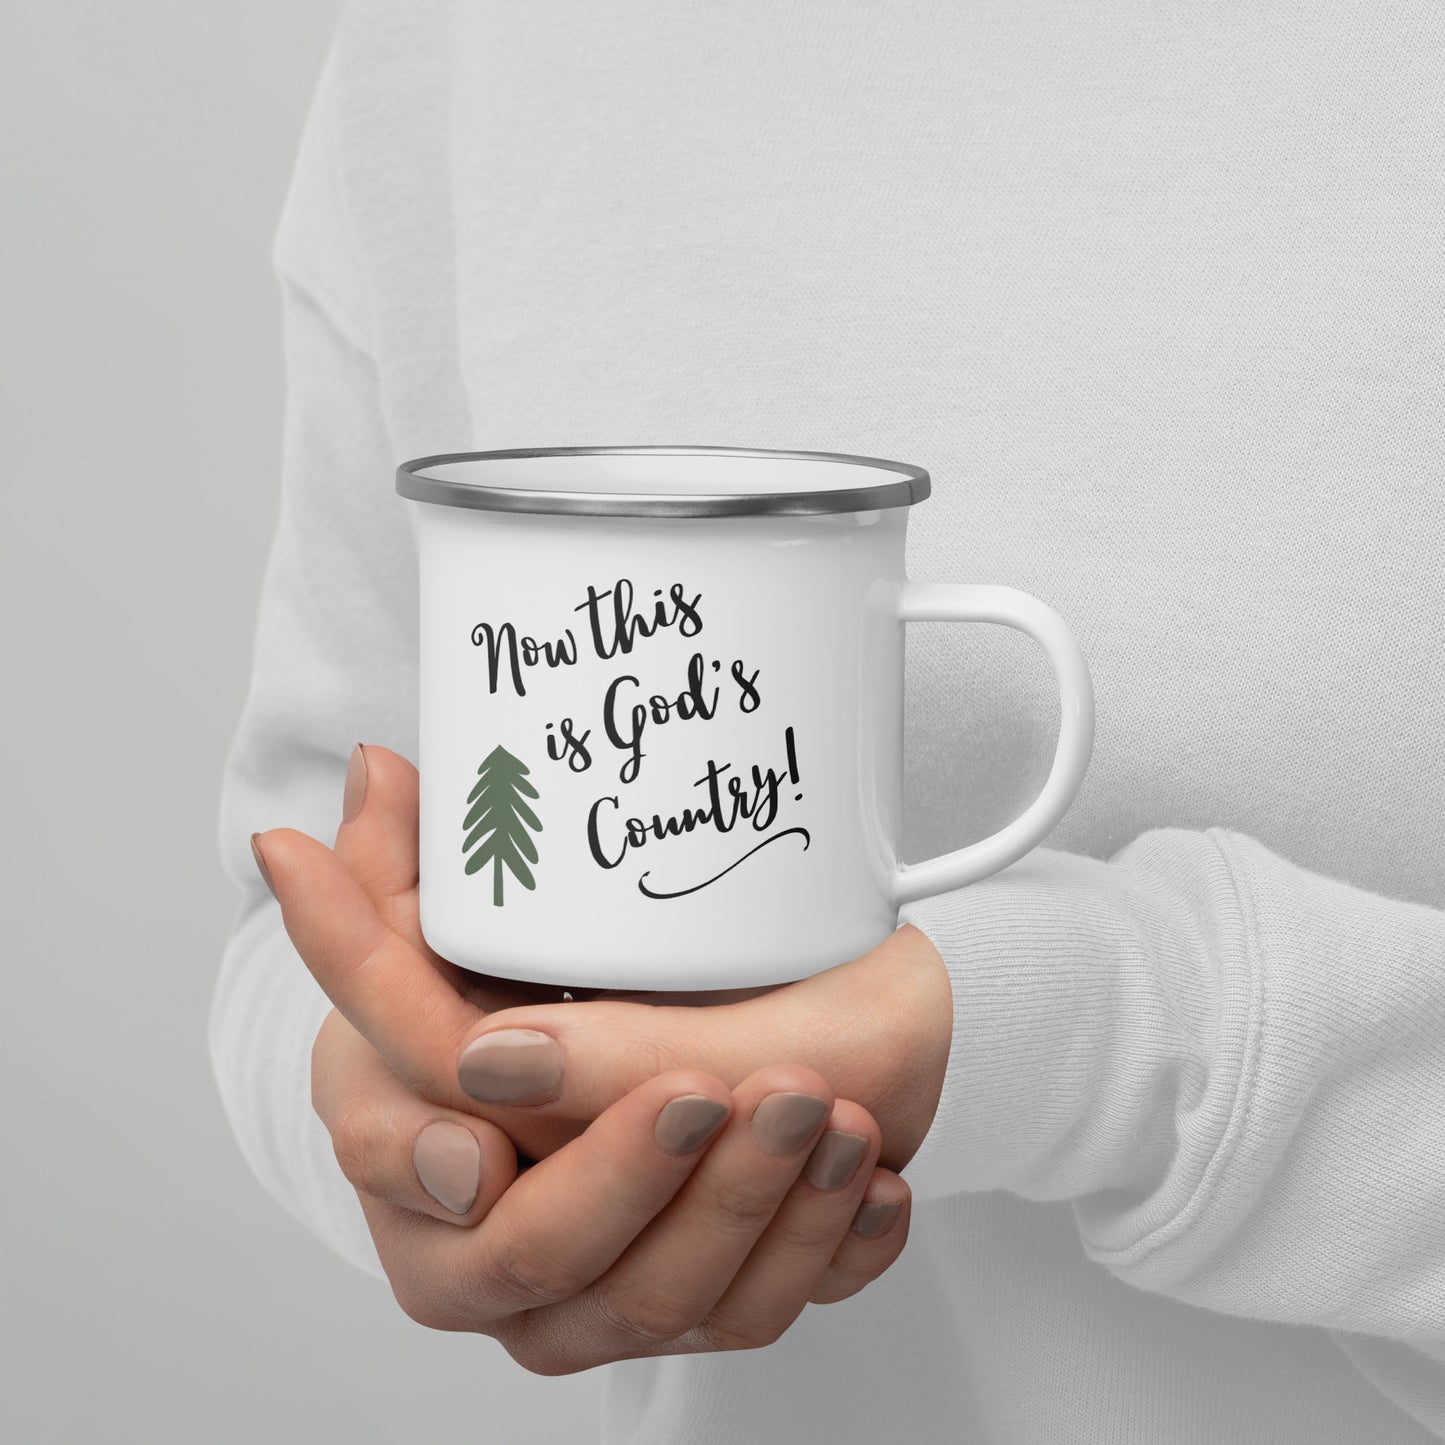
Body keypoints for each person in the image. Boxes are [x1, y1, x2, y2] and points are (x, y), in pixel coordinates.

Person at [215, 2, 1445, 1440]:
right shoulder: (463, 43)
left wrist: (1110, 1042)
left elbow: (1102, 1038)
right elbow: (290, 924)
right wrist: (412, 1116)